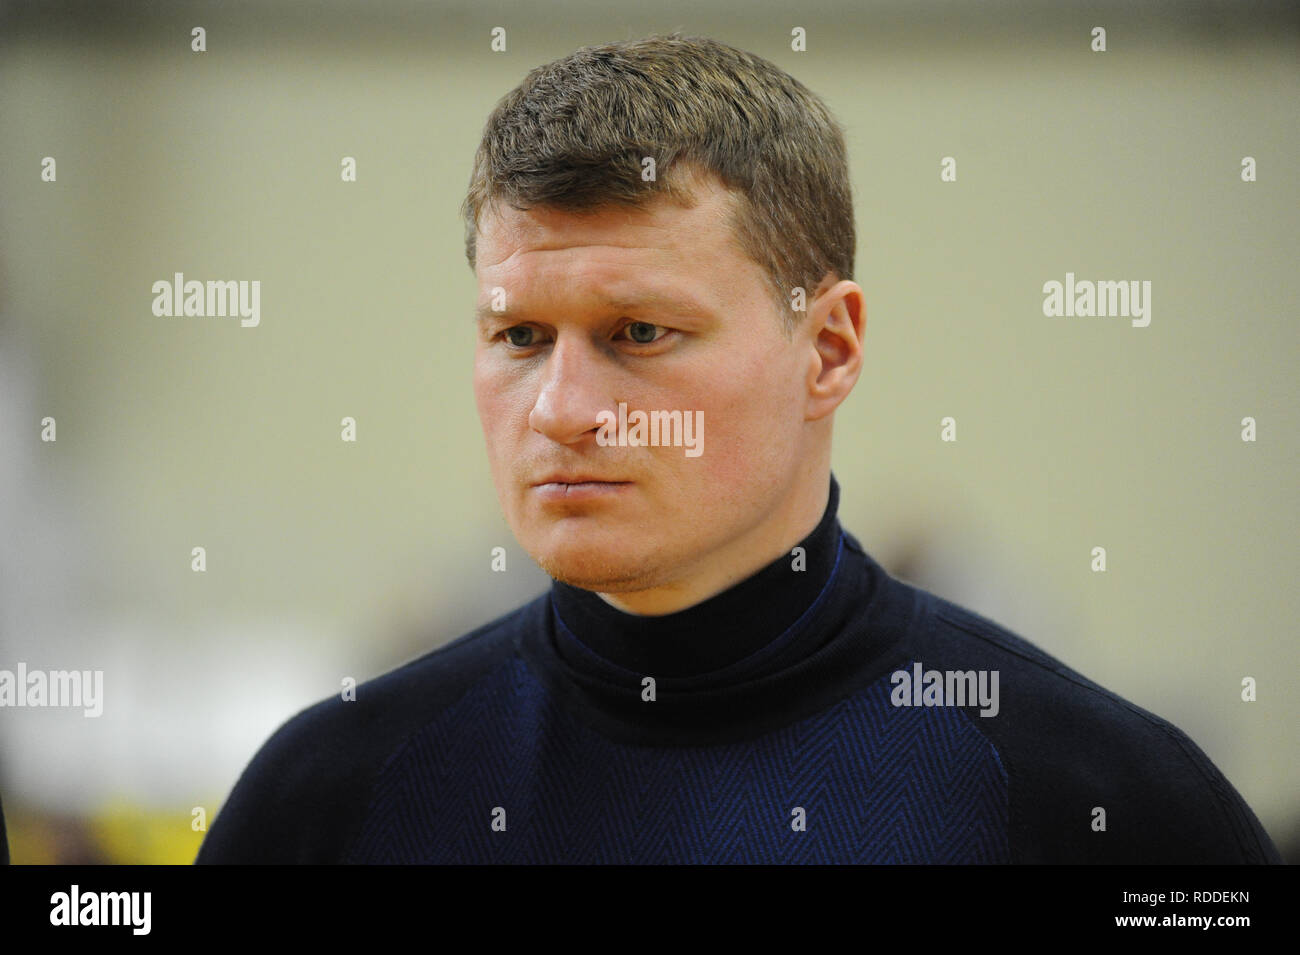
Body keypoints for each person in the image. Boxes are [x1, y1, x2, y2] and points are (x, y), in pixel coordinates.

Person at [196, 33, 1280, 864]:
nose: (564, 408)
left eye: (641, 333)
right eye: (519, 336)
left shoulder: (1099, 801)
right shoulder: (331, 797)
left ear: (830, 348)